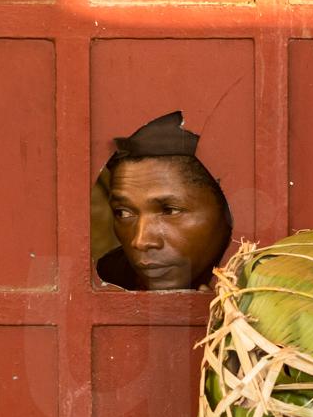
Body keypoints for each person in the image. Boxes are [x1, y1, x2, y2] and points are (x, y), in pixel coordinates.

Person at [95, 111, 232, 291]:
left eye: (170, 211)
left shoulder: (272, 283)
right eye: (124, 213)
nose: (141, 241)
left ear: (227, 210)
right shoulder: (109, 279)